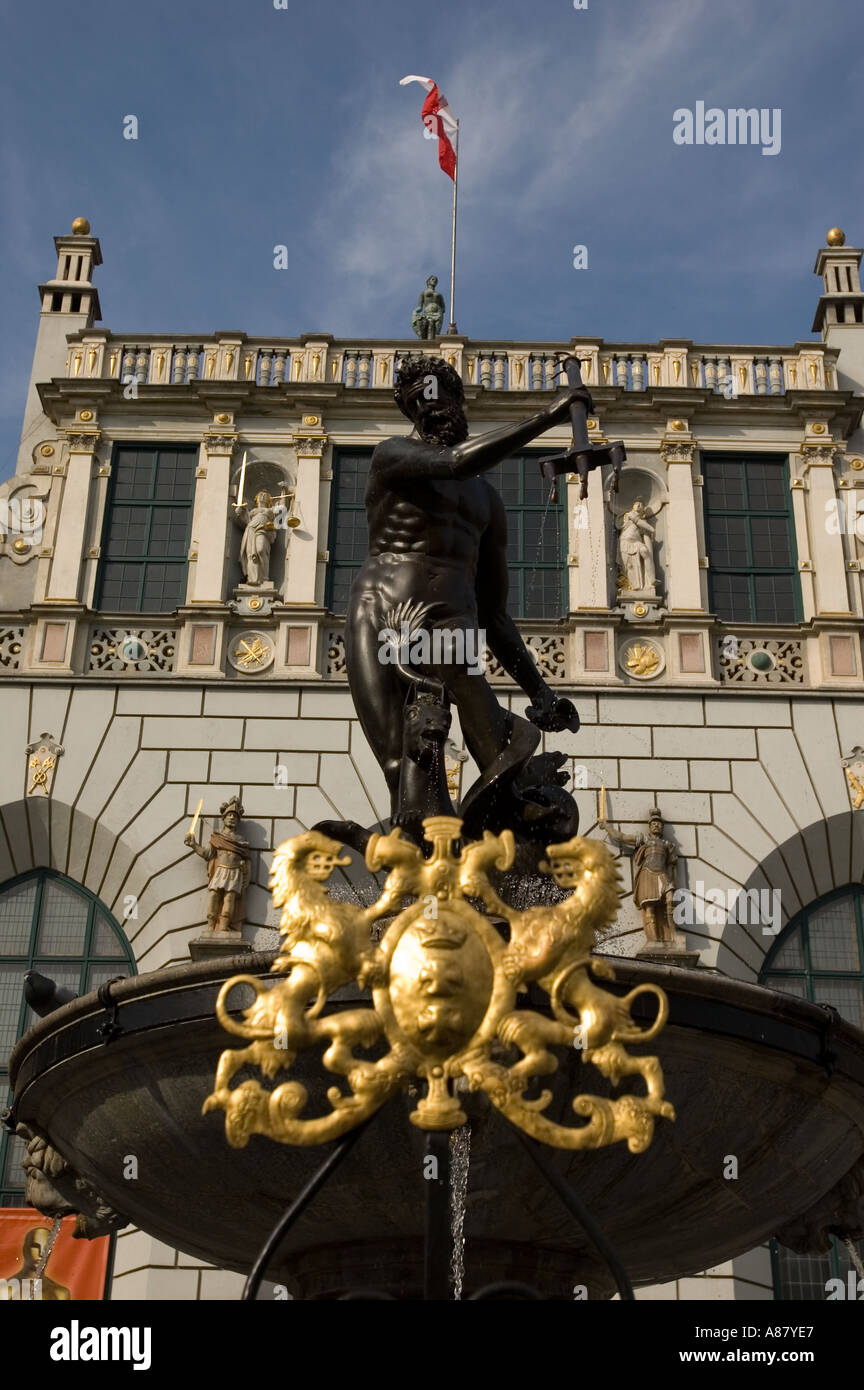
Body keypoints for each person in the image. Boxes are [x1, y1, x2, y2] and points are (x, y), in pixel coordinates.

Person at [343, 354, 591, 837]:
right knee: (405, 769)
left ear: (458, 399)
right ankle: (421, 873)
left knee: (498, 761)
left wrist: (541, 693)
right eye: (418, 399)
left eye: (438, 394)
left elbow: (494, 614)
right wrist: (548, 418)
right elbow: (456, 462)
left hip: (452, 625)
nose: (431, 405)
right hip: (385, 615)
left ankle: (499, 843)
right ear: (406, 409)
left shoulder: (487, 503)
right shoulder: (392, 455)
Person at [599, 808, 678, 943]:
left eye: (659, 824)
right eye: (653, 823)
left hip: (663, 876)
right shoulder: (643, 839)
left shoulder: (668, 845)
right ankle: (653, 940)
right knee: (650, 908)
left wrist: (672, 881)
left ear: (662, 827)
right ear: (649, 827)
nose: (656, 826)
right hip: (648, 874)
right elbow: (621, 837)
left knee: (670, 901)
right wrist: (607, 827)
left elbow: (672, 865)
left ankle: (673, 934)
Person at [185, 796, 251, 932]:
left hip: (234, 873)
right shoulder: (217, 838)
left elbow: (247, 860)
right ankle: (210, 926)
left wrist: (245, 869)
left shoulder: (241, 840)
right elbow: (208, 854)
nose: (232, 818)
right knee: (214, 895)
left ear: (238, 821)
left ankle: (223, 927)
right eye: (229, 815)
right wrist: (194, 845)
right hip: (220, 870)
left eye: (235, 816)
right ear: (224, 818)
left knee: (229, 899)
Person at [0, 1226, 70, 1300]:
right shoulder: (5, 1289)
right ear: (25, 1249)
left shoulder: (60, 1293)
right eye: (35, 1246)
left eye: (46, 1248)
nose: (41, 1254)